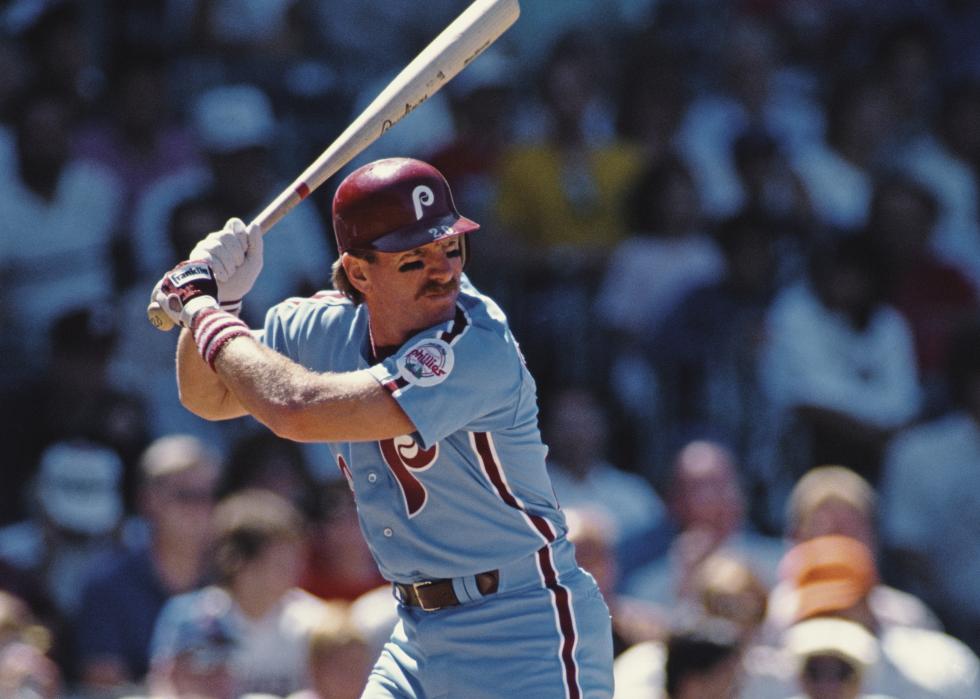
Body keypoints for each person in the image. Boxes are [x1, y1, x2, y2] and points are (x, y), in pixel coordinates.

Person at [150, 157, 615, 698]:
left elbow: (296, 408)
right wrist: (220, 298)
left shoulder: (476, 342)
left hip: (523, 626)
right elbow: (207, 394)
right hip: (417, 630)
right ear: (359, 271)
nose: (443, 270)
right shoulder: (324, 325)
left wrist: (202, 309)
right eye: (414, 259)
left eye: (450, 247)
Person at [149, 488, 335, 697]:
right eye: (279, 564)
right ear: (239, 563)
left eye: (294, 561)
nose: (293, 572)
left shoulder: (316, 621)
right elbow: (164, 690)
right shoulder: (191, 619)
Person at [74, 434, 221, 692]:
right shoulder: (107, 584)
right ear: (148, 500)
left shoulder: (228, 575)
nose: (201, 508)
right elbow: (103, 686)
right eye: (186, 495)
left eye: (209, 495)